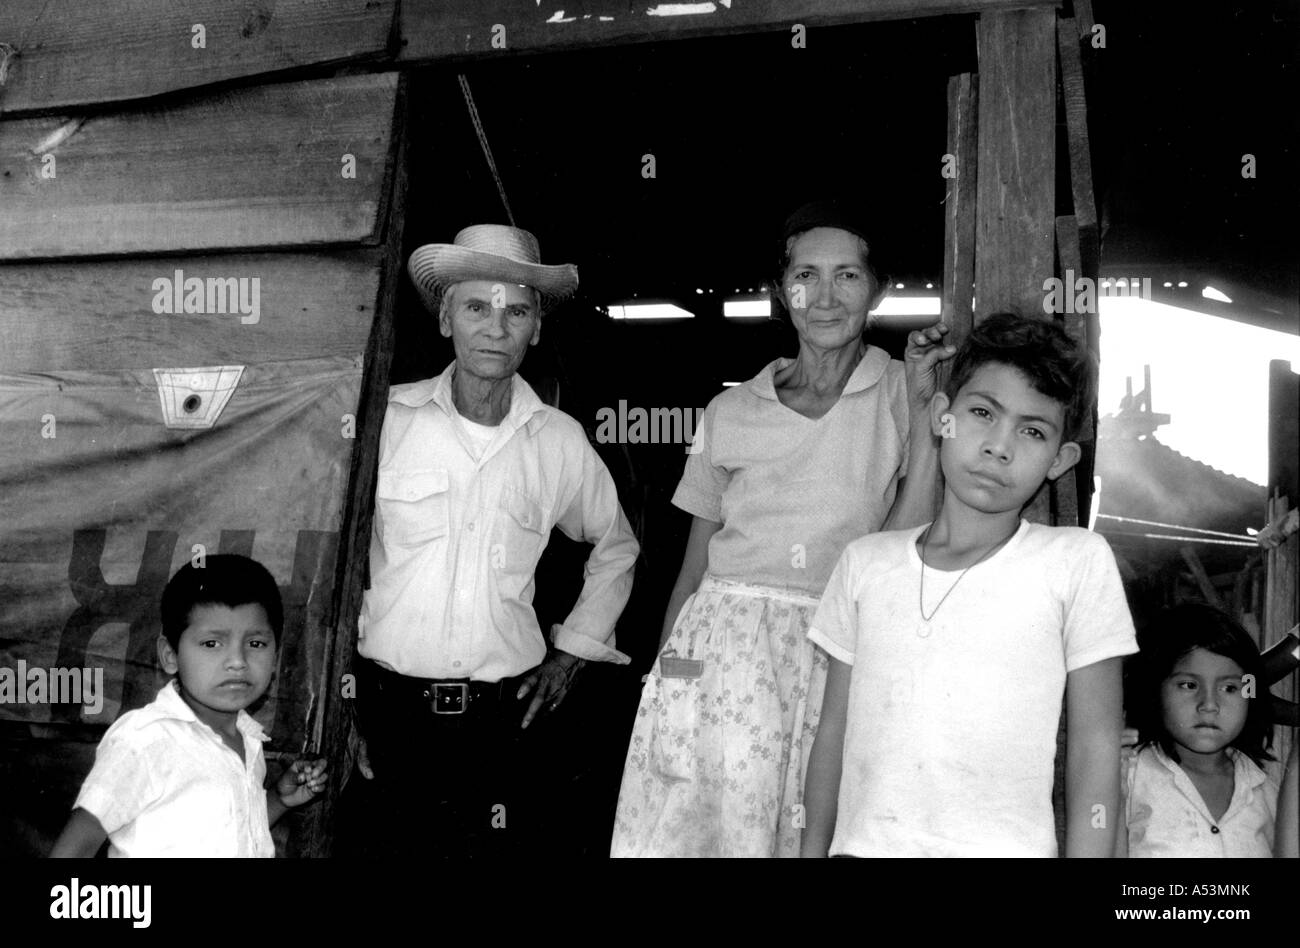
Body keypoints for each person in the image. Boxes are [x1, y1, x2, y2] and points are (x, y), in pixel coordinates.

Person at [611, 201, 952, 857]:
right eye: (805, 276)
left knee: (813, 835)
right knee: (706, 832)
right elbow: (693, 570)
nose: (824, 297)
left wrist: (919, 410)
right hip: (720, 654)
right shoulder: (730, 409)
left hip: (837, 645)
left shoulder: (905, 390)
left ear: (876, 289)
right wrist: (667, 687)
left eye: (847, 276)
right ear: (782, 291)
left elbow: (900, 547)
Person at [344, 224, 639, 857]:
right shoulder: (386, 421)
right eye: (477, 306)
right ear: (446, 317)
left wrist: (575, 651)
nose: (496, 326)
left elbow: (616, 546)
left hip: (502, 726)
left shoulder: (557, 441)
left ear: (536, 328)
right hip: (387, 714)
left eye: (517, 311)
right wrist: (342, 705)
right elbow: (332, 563)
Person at [801, 311, 1137, 857]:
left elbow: (1095, 750)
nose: (999, 446)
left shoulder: (1075, 562)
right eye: (982, 413)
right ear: (941, 418)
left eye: (1032, 431)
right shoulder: (866, 563)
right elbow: (831, 736)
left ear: (1060, 460)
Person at [49, 555, 326, 857]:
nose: (237, 661)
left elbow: (228, 834)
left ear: (276, 656)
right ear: (170, 655)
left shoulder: (247, 738)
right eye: (212, 644)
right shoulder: (146, 740)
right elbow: (71, 851)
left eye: (256, 643)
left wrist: (278, 800)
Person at [1117, 602, 1278, 857]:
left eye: (1230, 688)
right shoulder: (1130, 775)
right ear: (1154, 689)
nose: (1209, 705)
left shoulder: (1264, 786)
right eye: (1189, 685)